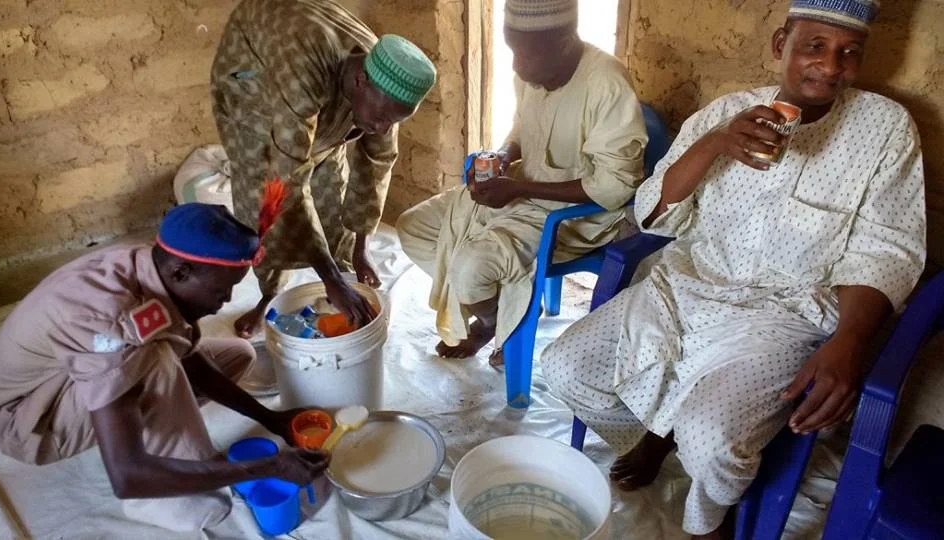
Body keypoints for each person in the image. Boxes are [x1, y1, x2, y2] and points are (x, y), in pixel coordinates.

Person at [541, 0, 926, 537]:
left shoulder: (885, 129)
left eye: (849, 53)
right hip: (684, 289)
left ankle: (709, 522)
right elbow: (652, 211)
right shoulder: (726, 112)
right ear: (780, 46)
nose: (831, 66)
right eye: (814, 46)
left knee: (714, 440)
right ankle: (655, 433)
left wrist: (851, 342)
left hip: (784, 314)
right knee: (565, 367)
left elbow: (888, 249)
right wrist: (716, 144)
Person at [0, 201, 330, 531]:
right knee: (158, 361)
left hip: (65, 378)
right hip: (27, 423)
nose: (224, 302)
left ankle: (152, 428)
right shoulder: (112, 321)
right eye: (221, 292)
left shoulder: (150, 264)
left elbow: (194, 362)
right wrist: (264, 468)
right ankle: (167, 495)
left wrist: (271, 419)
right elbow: (126, 476)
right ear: (180, 272)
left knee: (238, 354)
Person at [397, 0, 647, 367]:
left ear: (563, 42)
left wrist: (521, 190)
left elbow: (615, 186)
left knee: (468, 270)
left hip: (575, 217)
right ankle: (495, 310)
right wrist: (500, 156)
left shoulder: (605, 83)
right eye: (511, 50)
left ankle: (490, 323)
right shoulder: (533, 72)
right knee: (412, 227)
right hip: (521, 192)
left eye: (524, 55)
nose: (515, 65)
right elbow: (521, 128)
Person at [211, 0, 437, 338]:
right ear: (360, 80)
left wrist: (361, 248)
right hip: (254, 85)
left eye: (393, 120)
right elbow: (286, 177)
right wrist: (328, 278)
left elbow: (377, 161)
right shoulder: (302, 69)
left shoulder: (388, 83)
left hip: (324, 88)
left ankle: (342, 273)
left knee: (331, 184)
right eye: (382, 117)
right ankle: (269, 297)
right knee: (267, 205)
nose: (382, 127)